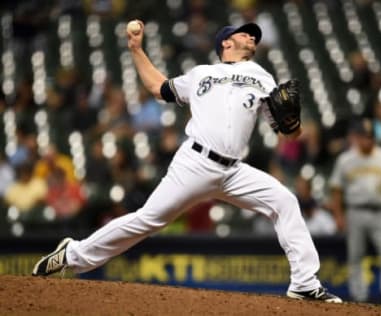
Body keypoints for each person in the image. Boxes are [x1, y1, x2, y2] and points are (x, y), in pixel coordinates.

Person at [32, 21, 342, 303]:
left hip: (233, 170)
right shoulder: (201, 74)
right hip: (195, 162)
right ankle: (72, 254)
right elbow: (159, 88)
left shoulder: (262, 76)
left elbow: (288, 133)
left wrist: (292, 122)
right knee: (147, 220)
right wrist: (136, 50)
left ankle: (304, 282)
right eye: (244, 32)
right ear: (226, 43)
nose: (252, 36)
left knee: (284, 200)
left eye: (254, 35)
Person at [329, 118, 381, 304]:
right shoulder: (345, 159)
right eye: (363, 136)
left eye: (370, 137)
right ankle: (359, 295)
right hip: (355, 211)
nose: (367, 141)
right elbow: (336, 190)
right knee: (355, 255)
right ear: (357, 137)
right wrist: (338, 215)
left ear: (374, 138)